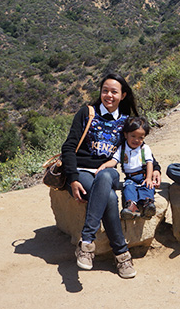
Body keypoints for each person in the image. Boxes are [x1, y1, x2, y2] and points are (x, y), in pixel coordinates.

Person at [61, 73, 161, 279]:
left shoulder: (126, 121)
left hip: (108, 171)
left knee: (106, 177)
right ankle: (122, 254)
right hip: (84, 171)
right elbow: (69, 146)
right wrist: (72, 178)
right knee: (109, 197)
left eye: (114, 92)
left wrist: (156, 166)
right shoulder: (87, 113)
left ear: (123, 95)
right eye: (105, 90)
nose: (108, 95)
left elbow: (138, 144)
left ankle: (87, 240)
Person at [96, 116, 156, 220]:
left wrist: (149, 178)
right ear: (125, 134)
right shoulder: (122, 148)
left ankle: (147, 203)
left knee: (147, 186)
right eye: (133, 136)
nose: (136, 140)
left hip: (143, 175)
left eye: (141, 138)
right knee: (128, 187)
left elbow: (149, 163)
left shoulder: (144, 148)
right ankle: (131, 206)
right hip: (130, 177)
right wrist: (105, 165)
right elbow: (114, 161)